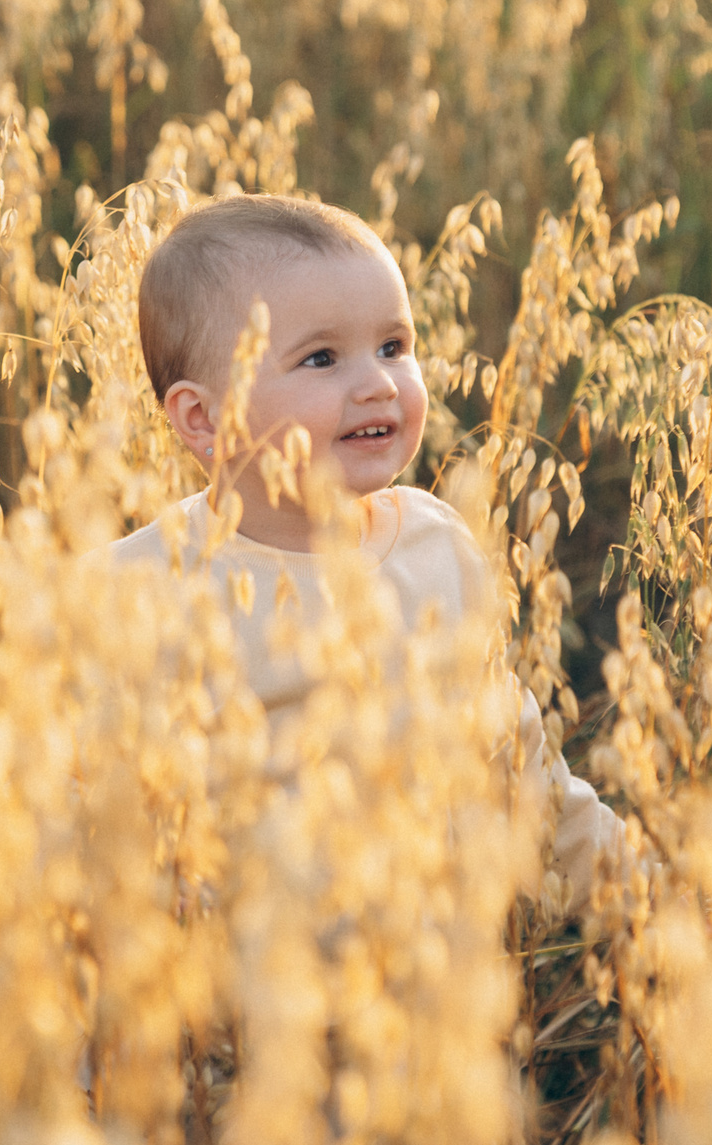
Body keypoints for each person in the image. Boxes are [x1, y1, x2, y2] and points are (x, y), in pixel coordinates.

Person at [103, 192, 628, 904]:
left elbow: (522, 770)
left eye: (394, 347)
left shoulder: (437, 546)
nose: (379, 384)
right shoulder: (139, 591)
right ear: (205, 417)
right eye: (321, 358)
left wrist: (640, 892)